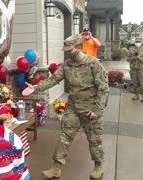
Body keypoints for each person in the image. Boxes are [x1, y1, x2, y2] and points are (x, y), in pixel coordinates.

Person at [22, 34, 109, 179]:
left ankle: (98, 165)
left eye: (70, 49)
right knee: (64, 137)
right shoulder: (67, 65)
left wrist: (98, 110)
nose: (68, 52)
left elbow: (103, 89)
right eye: (66, 50)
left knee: (94, 140)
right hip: (73, 108)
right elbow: (53, 79)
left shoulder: (94, 64)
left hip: (90, 110)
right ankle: (56, 168)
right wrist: (36, 88)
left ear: (79, 47)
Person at [126, 37, 143, 102]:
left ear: (141, 42)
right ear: (134, 42)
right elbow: (127, 59)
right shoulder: (131, 49)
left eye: (139, 41)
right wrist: (132, 58)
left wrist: (140, 58)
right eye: (136, 41)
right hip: (133, 69)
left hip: (141, 69)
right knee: (135, 83)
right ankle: (136, 95)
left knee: (142, 83)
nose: (137, 43)